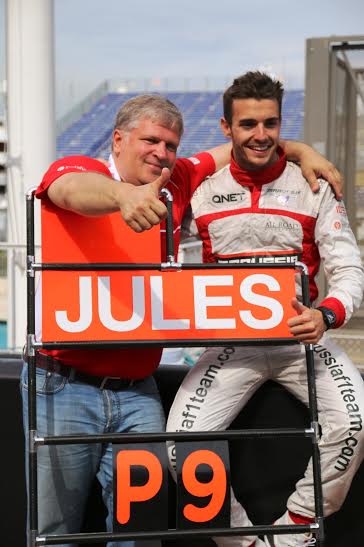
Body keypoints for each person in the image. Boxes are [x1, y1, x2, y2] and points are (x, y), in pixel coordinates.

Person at [22, 93, 344, 546]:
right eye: (151, 140)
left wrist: (302, 150)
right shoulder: (81, 169)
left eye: (171, 145)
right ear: (117, 140)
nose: (162, 153)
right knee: (56, 531)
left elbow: (247, 143)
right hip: (64, 386)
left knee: (142, 529)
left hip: (138, 391)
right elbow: (66, 191)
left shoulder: (176, 180)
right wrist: (123, 196)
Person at [166, 73, 364, 547]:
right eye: (248, 123)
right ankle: (243, 542)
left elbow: (349, 268)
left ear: (281, 123)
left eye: (271, 123)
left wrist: (327, 315)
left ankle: (296, 532)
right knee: (180, 444)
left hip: (304, 342)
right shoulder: (200, 187)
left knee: (356, 420)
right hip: (232, 347)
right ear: (225, 127)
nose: (261, 134)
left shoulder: (315, 183)